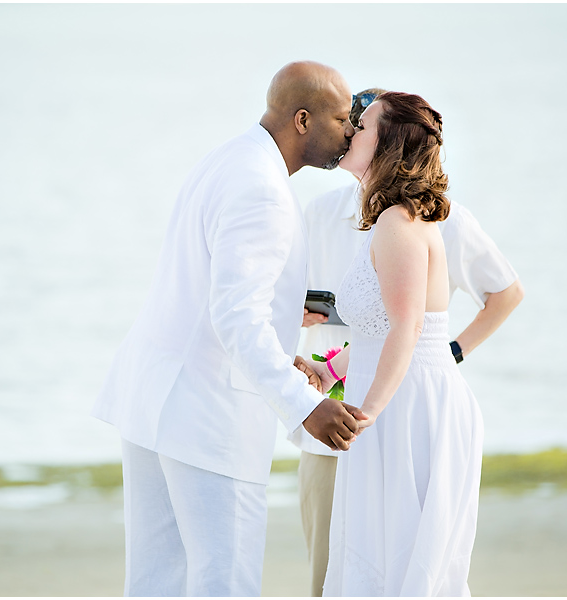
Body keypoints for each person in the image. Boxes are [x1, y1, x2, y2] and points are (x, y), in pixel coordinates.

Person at [90, 61, 369, 597]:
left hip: (156, 402)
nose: (351, 131)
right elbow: (237, 316)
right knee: (227, 580)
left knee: (156, 582)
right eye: (341, 119)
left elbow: (212, 297)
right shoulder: (262, 188)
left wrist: (287, 358)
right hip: (205, 414)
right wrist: (305, 404)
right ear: (303, 120)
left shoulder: (231, 158)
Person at [292, 89, 524, 596]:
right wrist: (328, 373)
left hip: (398, 411)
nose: (350, 130)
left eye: (363, 124)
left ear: (389, 144)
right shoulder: (370, 218)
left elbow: (411, 330)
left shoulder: (402, 222)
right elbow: (380, 328)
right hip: (370, 401)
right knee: (368, 564)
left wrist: (366, 413)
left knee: (398, 568)